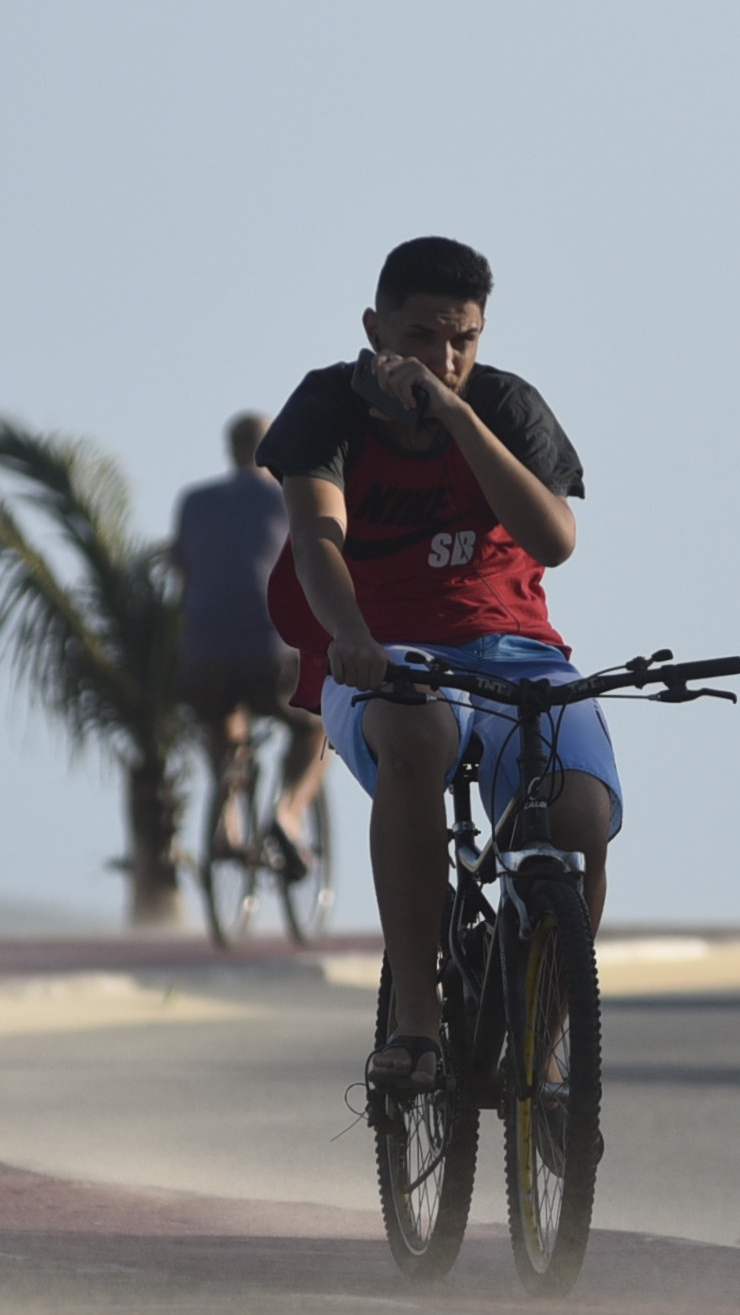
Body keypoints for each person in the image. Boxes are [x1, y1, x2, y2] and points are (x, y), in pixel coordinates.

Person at [257, 236, 601, 1095]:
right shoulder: (325, 406)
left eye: (465, 340)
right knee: (416, 736)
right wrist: (352, 637)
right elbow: (316, 540)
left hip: (518, 651)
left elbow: (553, 540)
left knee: (583, 817)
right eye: (420, 338)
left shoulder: (502, 405)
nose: (444, 359)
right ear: (375, 328)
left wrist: (457, 415)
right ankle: (417, 1022)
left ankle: (545, 1042)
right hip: (381, 649)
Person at [174, 410, 327, 877]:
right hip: (270, 647)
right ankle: (289, 814)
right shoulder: (288, 496)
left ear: (230, 449)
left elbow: (183, 572)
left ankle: (229, 819)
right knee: (319, 726)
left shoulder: (193, 502)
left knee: (223, 714)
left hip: (202, 653)